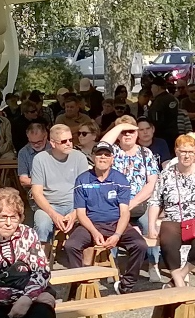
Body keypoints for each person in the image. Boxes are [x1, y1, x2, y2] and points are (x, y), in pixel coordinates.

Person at [64, 140, 148, 294]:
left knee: (140, 245)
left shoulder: (120, 180)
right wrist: (94, 232)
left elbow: (125, 212)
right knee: (71, 245)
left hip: (116, 223)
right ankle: (79, 284)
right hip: (90, 224)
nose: (102, 157)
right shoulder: (82, 180)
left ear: (112, 158)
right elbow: (81, 213)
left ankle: (126, 285)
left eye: (106, 154)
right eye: (99, 154)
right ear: (93, 157)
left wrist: (117, 235)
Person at [147, 134, 195, 288]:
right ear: (176, 151)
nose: (187, 155)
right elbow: (155, 201)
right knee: (168, 243)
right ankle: (179, 283)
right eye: (183, 151)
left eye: (190, 152)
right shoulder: (166, 174)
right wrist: (151, 226)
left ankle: (180, 274)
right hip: (173, 217)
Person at [0, 188, 57, 318]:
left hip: (27, 291)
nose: (8, 223)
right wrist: (28, 298)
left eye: (13, 217)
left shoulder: (27, 233)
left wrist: (28, 298)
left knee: (43, 312)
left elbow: (41, 270)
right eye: (3, 217)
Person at [98, 118, 163, 284]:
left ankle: (153, 264)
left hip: (140, 203)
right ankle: (112, 267)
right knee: (110, 227)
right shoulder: (111, 152)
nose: (127, 135)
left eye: (131, 131)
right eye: (123, 132)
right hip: (115, 204)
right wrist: (120, 125)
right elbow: (102, 144)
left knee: (150, 226)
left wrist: (132, 203)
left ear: (137, 133)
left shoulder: (146, 153)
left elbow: (152, 183)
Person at [29, 124, 89, 242]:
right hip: (49, 204)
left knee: (89, 222)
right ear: (52, 143)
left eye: (70, 140)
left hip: (75, 204)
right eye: (64, 141)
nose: (69, 143)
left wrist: (75, 213)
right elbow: (36, 193)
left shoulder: (80, 157)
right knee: (42, 225)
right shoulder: (40, 159)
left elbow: (85, 190)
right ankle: (42, 253)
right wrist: (54, 215)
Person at [149, 81, 188, 146]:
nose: (151, 90)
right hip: (173, 132)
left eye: (152, 87)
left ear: (157, 88)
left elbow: (156, 119)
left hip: (161, 134)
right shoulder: (172, 98)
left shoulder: (158, 101)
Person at [16, 122, 49, 189]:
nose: (36, 145)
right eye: (32, 142)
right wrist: (45, 184)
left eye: (39, 142)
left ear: (45, 136)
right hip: (35, 188)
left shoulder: (55, 148)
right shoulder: (23, 152)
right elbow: (23, 180)